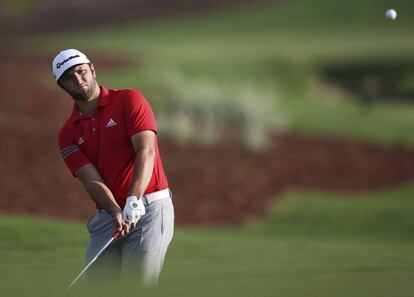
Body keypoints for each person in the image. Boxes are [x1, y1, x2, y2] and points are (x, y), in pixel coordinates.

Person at [53, 49, 174, 285]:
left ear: (93, 71)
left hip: (148, 210)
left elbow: (146, 151)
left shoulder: (129, 100)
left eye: (81, 71)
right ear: (63, 86)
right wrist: (114, 210)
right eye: (69, 77)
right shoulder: (67, 134)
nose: (78, 79)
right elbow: (91, 179)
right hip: (108, 217)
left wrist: (134, 199)